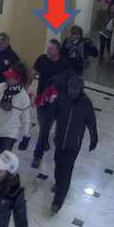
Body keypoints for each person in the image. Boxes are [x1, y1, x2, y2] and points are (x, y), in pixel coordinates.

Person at [43, 76, 98, 214]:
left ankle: (58, 201)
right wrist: (44, 136)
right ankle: (58, 183)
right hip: (60, 141)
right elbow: (49, 118)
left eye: (75, 90)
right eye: (70, 89)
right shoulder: (61, 100)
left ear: (80, 90)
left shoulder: (85, 103)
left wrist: (94, 138)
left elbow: (91, 121)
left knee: (66, 171)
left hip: (74, 144)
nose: (72, 92)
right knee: (57, 165)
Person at [30, 40, 73, 168]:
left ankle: (37, 156)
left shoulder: (64, 64)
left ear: (57, 51)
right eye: (47, 48)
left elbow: (68, 82)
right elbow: (32, 73)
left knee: (43, 129)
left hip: (55, 102)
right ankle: (44, 140)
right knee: (43, 124)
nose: (48, 51)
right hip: (41, 99)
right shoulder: (41, 59)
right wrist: (26, 87)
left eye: (51, 49)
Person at [0, 63, 32, 158]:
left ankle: (3, 171)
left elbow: (26, 119)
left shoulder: (23, 97)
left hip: (10, 133)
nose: (7, 78)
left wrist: (26, 136)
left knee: (4, 158)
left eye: (10, 77)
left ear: (18, 79)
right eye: (7, 76)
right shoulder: (1, 87)